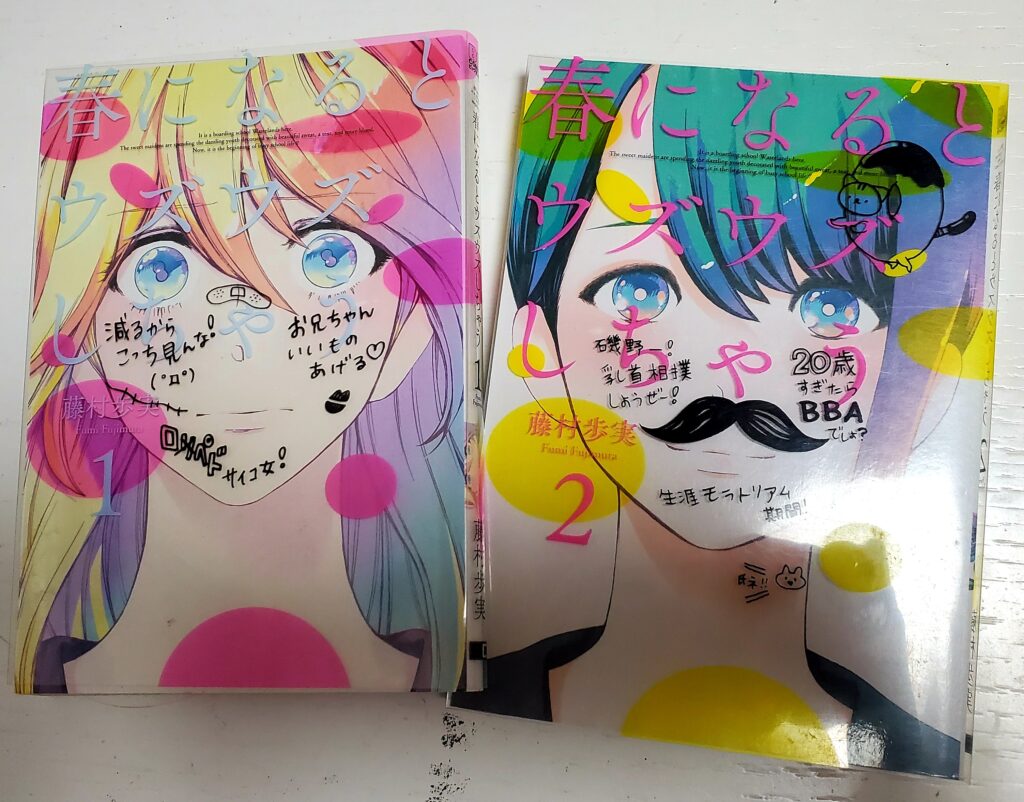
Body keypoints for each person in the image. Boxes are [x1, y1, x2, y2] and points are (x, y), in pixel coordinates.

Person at [466, 60, 995, 777]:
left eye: (832, 304)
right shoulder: (483, 707)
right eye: (640, 289)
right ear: (539, 342)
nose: (734, 368)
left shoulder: (916, 756)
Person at [18, 38, 475, 694]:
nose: (241, 345)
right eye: (160, 266)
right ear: (82, 338)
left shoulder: (458, 672)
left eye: (327, 257)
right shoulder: (39, 691)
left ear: (409, 332)